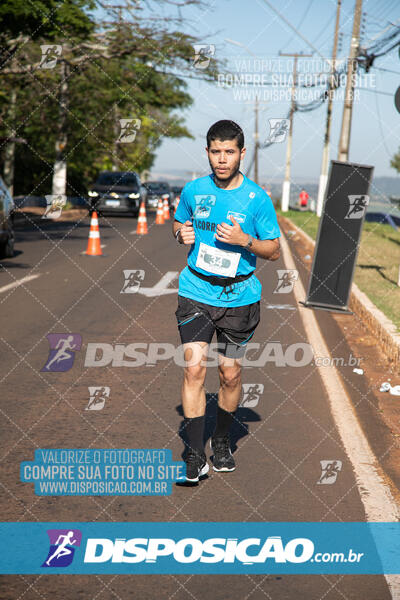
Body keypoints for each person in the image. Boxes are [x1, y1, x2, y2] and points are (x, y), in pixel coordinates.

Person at [172, 120, 281, 483]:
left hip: (240, 296)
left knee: (229, 373)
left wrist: (243, 239)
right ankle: (193, 453)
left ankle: (220, 440)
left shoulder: (257, 198)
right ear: (207, 152)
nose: (222, 159)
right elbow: (179, 220)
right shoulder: (193, 190)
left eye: (229, 152)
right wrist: (179, 233)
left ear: (241, 153)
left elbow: (274, 251)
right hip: (196, 290)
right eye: (216, 152)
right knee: (194, 368)